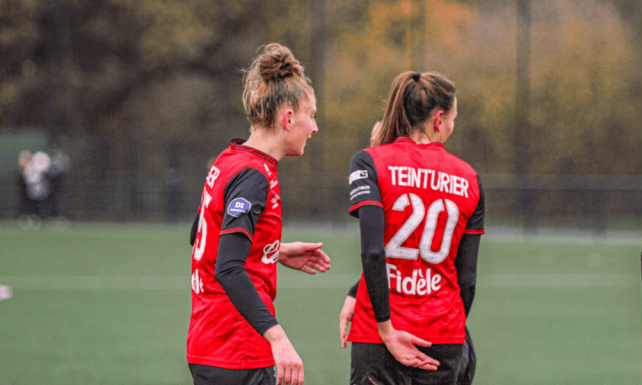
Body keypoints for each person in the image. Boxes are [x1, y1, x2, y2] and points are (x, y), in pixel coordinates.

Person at [187, 43, 331, 385]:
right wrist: (279, 340)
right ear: (289, 118)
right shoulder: (254, 176)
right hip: (237, 351)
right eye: (312, 115)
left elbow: (200, 234)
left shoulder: (229, 158)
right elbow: (228, 267)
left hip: (207, 345)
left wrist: (272, 251)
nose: (315, 127)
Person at [346, 71, 485, 385]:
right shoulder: (470, 178)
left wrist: (385, 328)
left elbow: (373, 253)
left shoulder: (369, 162)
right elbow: (468, 279)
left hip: (377, 334)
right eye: (453, 118)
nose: (452, 125)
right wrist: (451, 330)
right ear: (438, 120)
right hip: (443, 335)